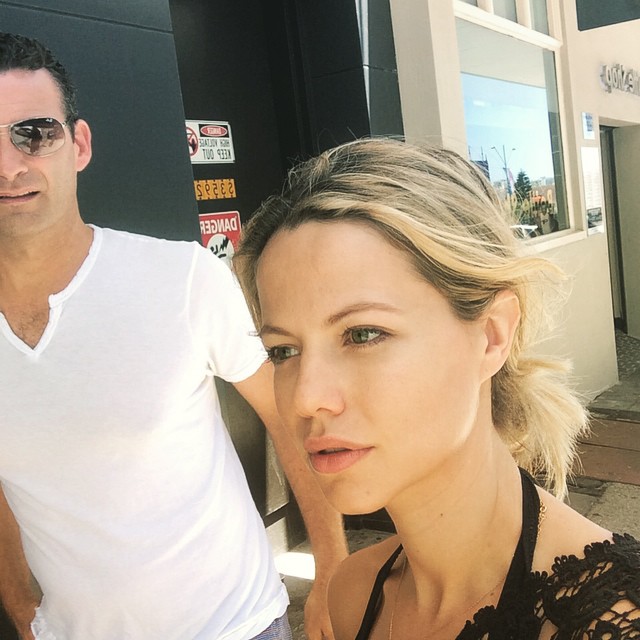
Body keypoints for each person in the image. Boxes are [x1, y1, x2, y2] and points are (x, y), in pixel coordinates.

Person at [0, 32, 348, 640]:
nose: (9, 165)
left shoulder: (180, 277)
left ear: (78, 145)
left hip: (234, 628)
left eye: (34, 133)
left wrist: (333, 572)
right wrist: (21, 606)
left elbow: (290, 415)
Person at [234, 138, 640, 639]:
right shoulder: (354, 594)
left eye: (363, 334)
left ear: (491, 336)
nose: (304, 397)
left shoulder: (613, 620)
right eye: (282, 351)